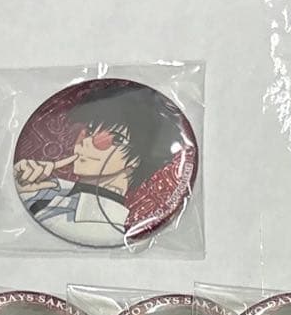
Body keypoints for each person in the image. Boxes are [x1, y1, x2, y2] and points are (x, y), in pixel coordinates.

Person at [14, 83, 185, 246]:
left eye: (116, 139)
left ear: (137, 159)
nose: (87, 142)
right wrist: (26, 188)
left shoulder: (99, 228)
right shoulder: (47, 187)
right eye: (88, 131)